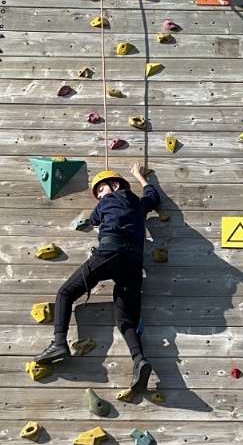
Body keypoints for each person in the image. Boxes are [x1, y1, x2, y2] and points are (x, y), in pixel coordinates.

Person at [35, 162, 161, 394]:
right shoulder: (139, 204)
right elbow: (153, 197)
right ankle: (139, 360)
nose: (100, 196)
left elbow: (94, 220)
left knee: (65, 293)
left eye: (101, 190)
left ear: (115, 186)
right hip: (133, 264)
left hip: (109, 254)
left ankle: (59, 343)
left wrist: (97, 214)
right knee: (126, 320)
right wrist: (139, 176)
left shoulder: (106, 201)